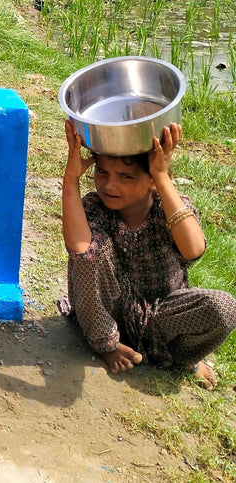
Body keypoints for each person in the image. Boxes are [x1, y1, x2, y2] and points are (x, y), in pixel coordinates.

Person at [61, 120, 236, 388]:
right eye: (102, 172)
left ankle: (183, 359)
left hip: (162, 316)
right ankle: (108, 345)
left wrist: (161, 176)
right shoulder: (95, 207)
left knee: (224, 307)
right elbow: (80, 248)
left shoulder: (167, 206)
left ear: (151, 182)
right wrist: (71, 178)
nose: (109, 185)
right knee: (90, 253)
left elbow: (194, 248)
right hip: (109, 313)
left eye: (125, 176)